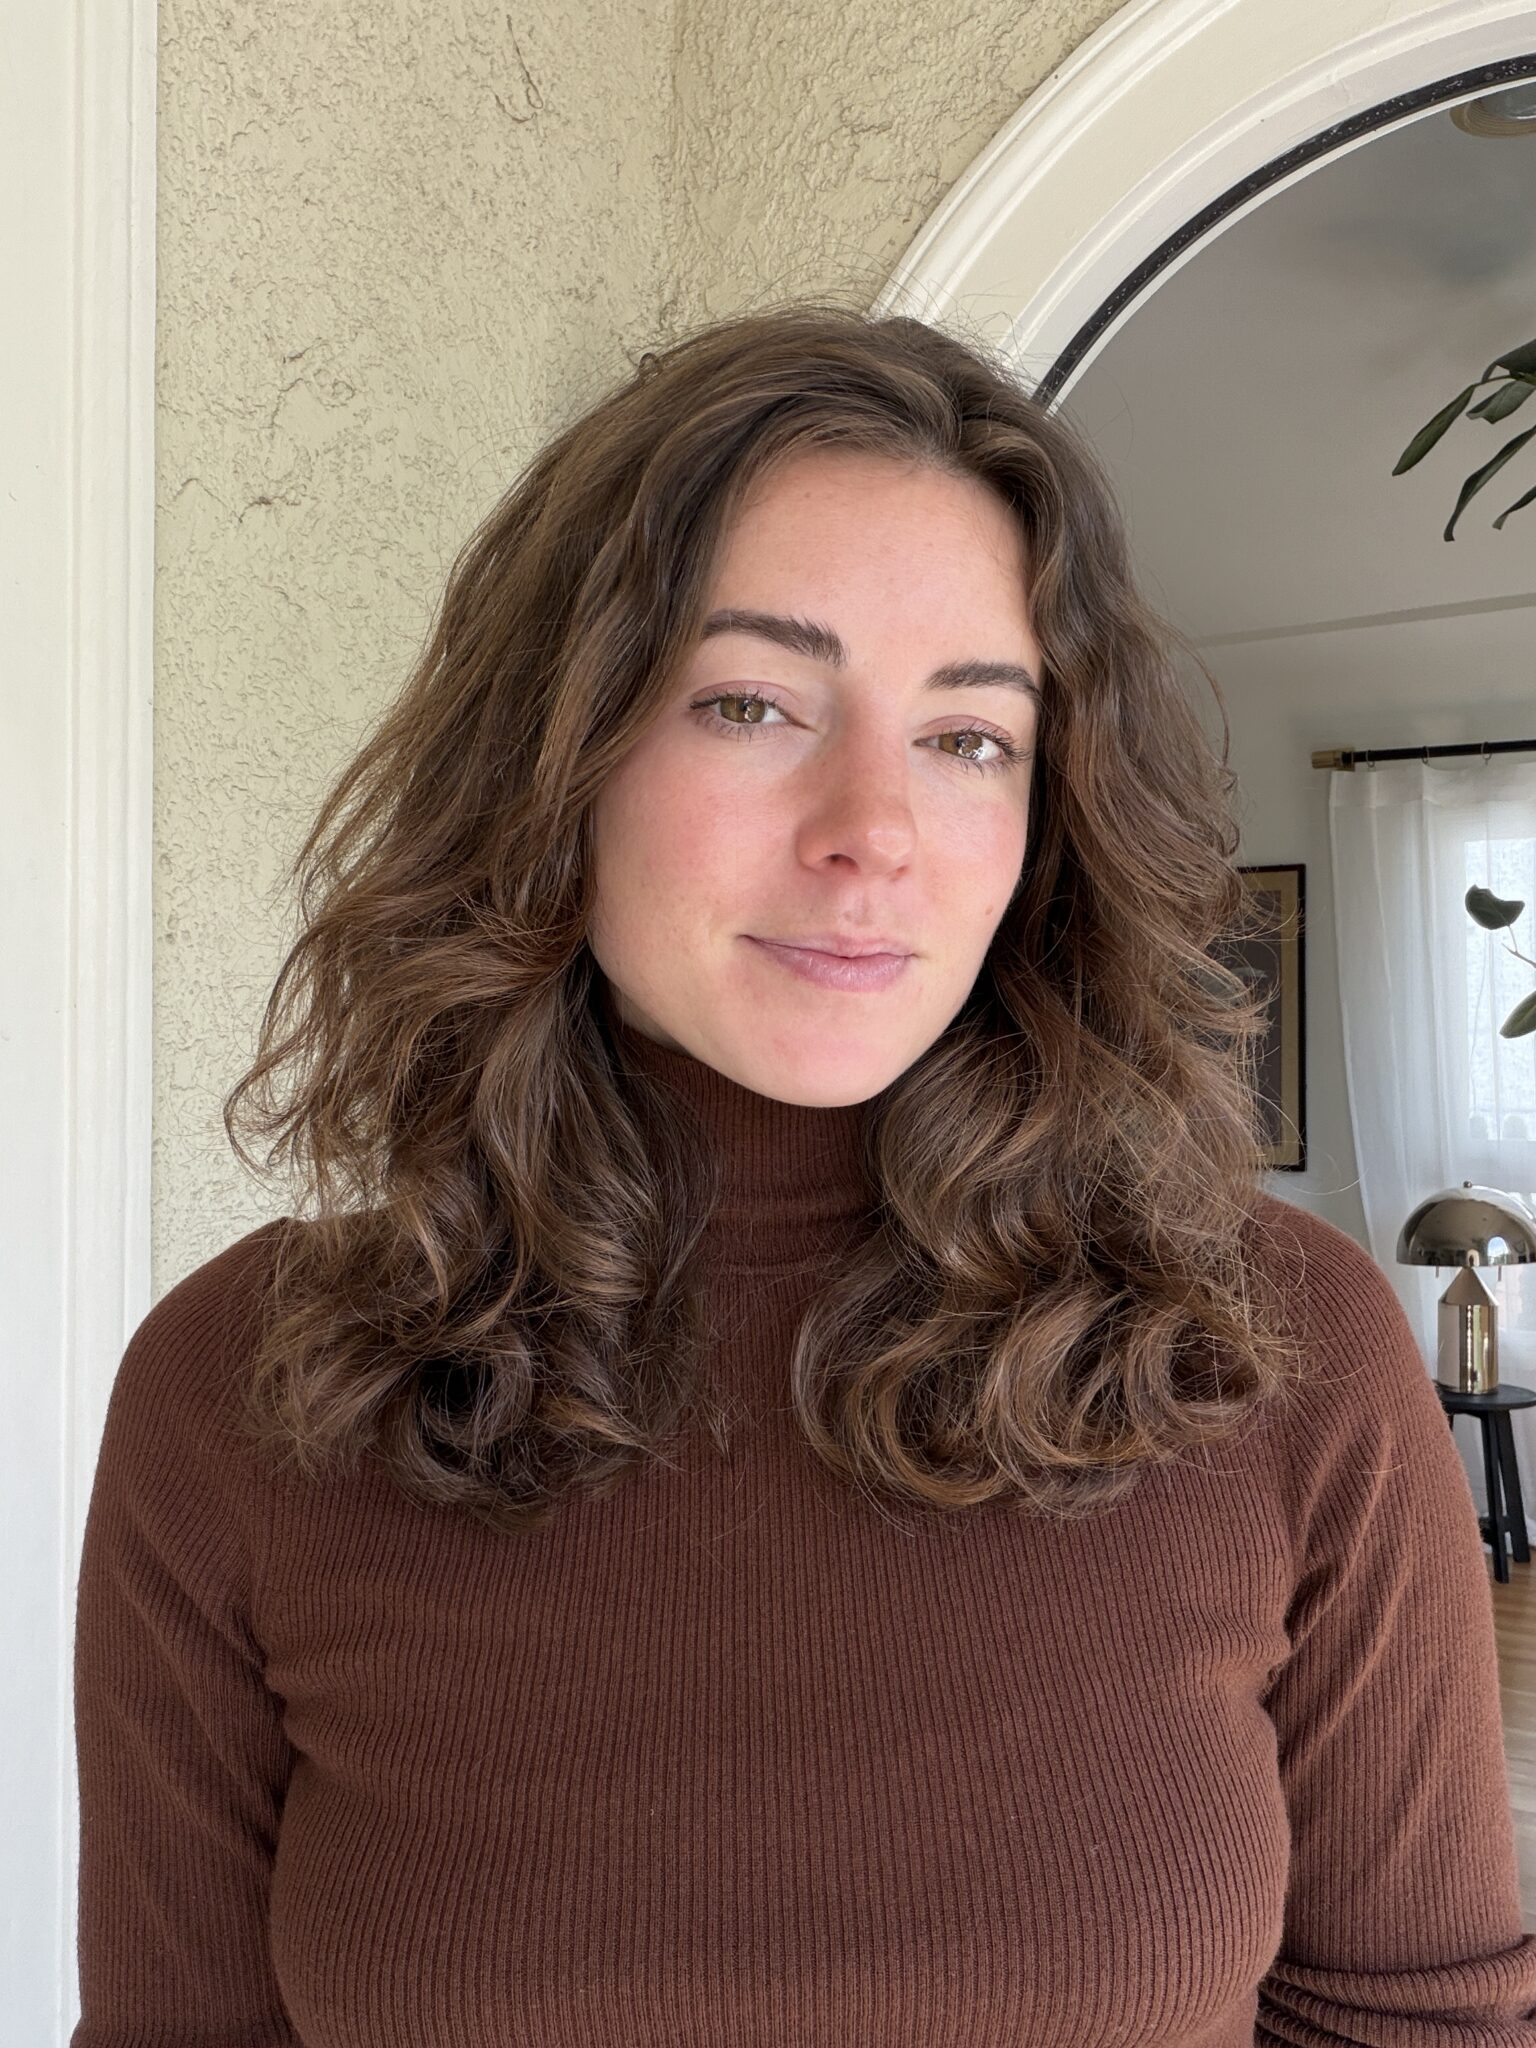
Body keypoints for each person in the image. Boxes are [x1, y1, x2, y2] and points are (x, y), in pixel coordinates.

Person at [70, 297, 1536, 2046]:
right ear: (559, 757)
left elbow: (1415, 2025)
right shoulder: (245, 1393)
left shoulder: (1283, 1353)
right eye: (756, 701)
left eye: (970, 733)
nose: (876, 829)